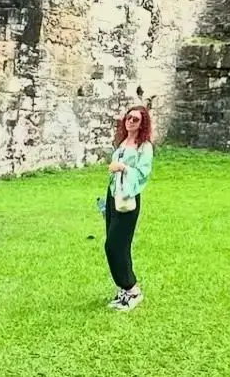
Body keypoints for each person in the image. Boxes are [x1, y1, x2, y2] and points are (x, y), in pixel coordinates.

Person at [103, 104, 154, 311]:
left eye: (135, 119)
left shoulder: (144, 147)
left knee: (115, 246)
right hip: (114, 196)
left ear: (142, 124)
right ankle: (123, 291)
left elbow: (143, 174)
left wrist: (123, 167)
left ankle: (133, 289)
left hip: (128, 198)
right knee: (115, 245)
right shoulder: (122, 142)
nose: (130, 121)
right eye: (128, 117)